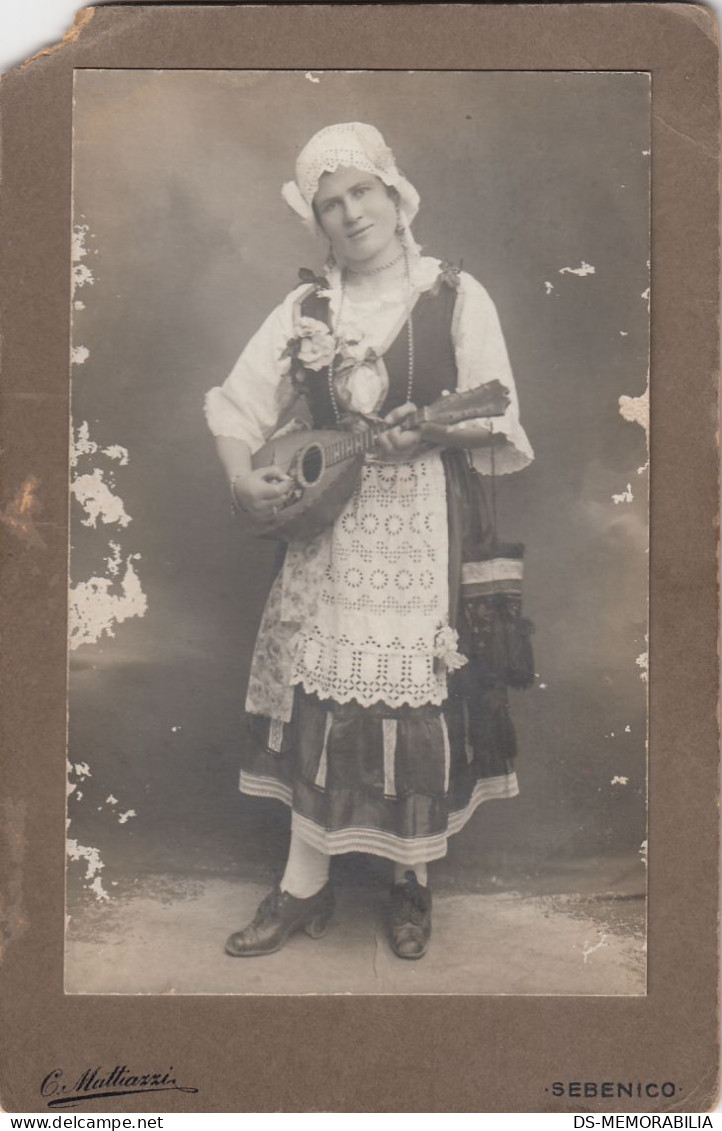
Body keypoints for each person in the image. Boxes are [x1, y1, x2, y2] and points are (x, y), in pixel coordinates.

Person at [204, 122, 533, 961]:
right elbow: (237, 408)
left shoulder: (458, 294)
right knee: (323, 700)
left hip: (424, 530)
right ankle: (303, 886)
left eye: (363, 194)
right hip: (328, 534)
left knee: (415, 696)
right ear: (316, 221)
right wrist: (243, 475)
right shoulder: (306, 309)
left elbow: (501, 420)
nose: (351, 215)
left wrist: (428, 435)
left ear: (395, 194)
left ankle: (412, 882)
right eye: (330, 204)